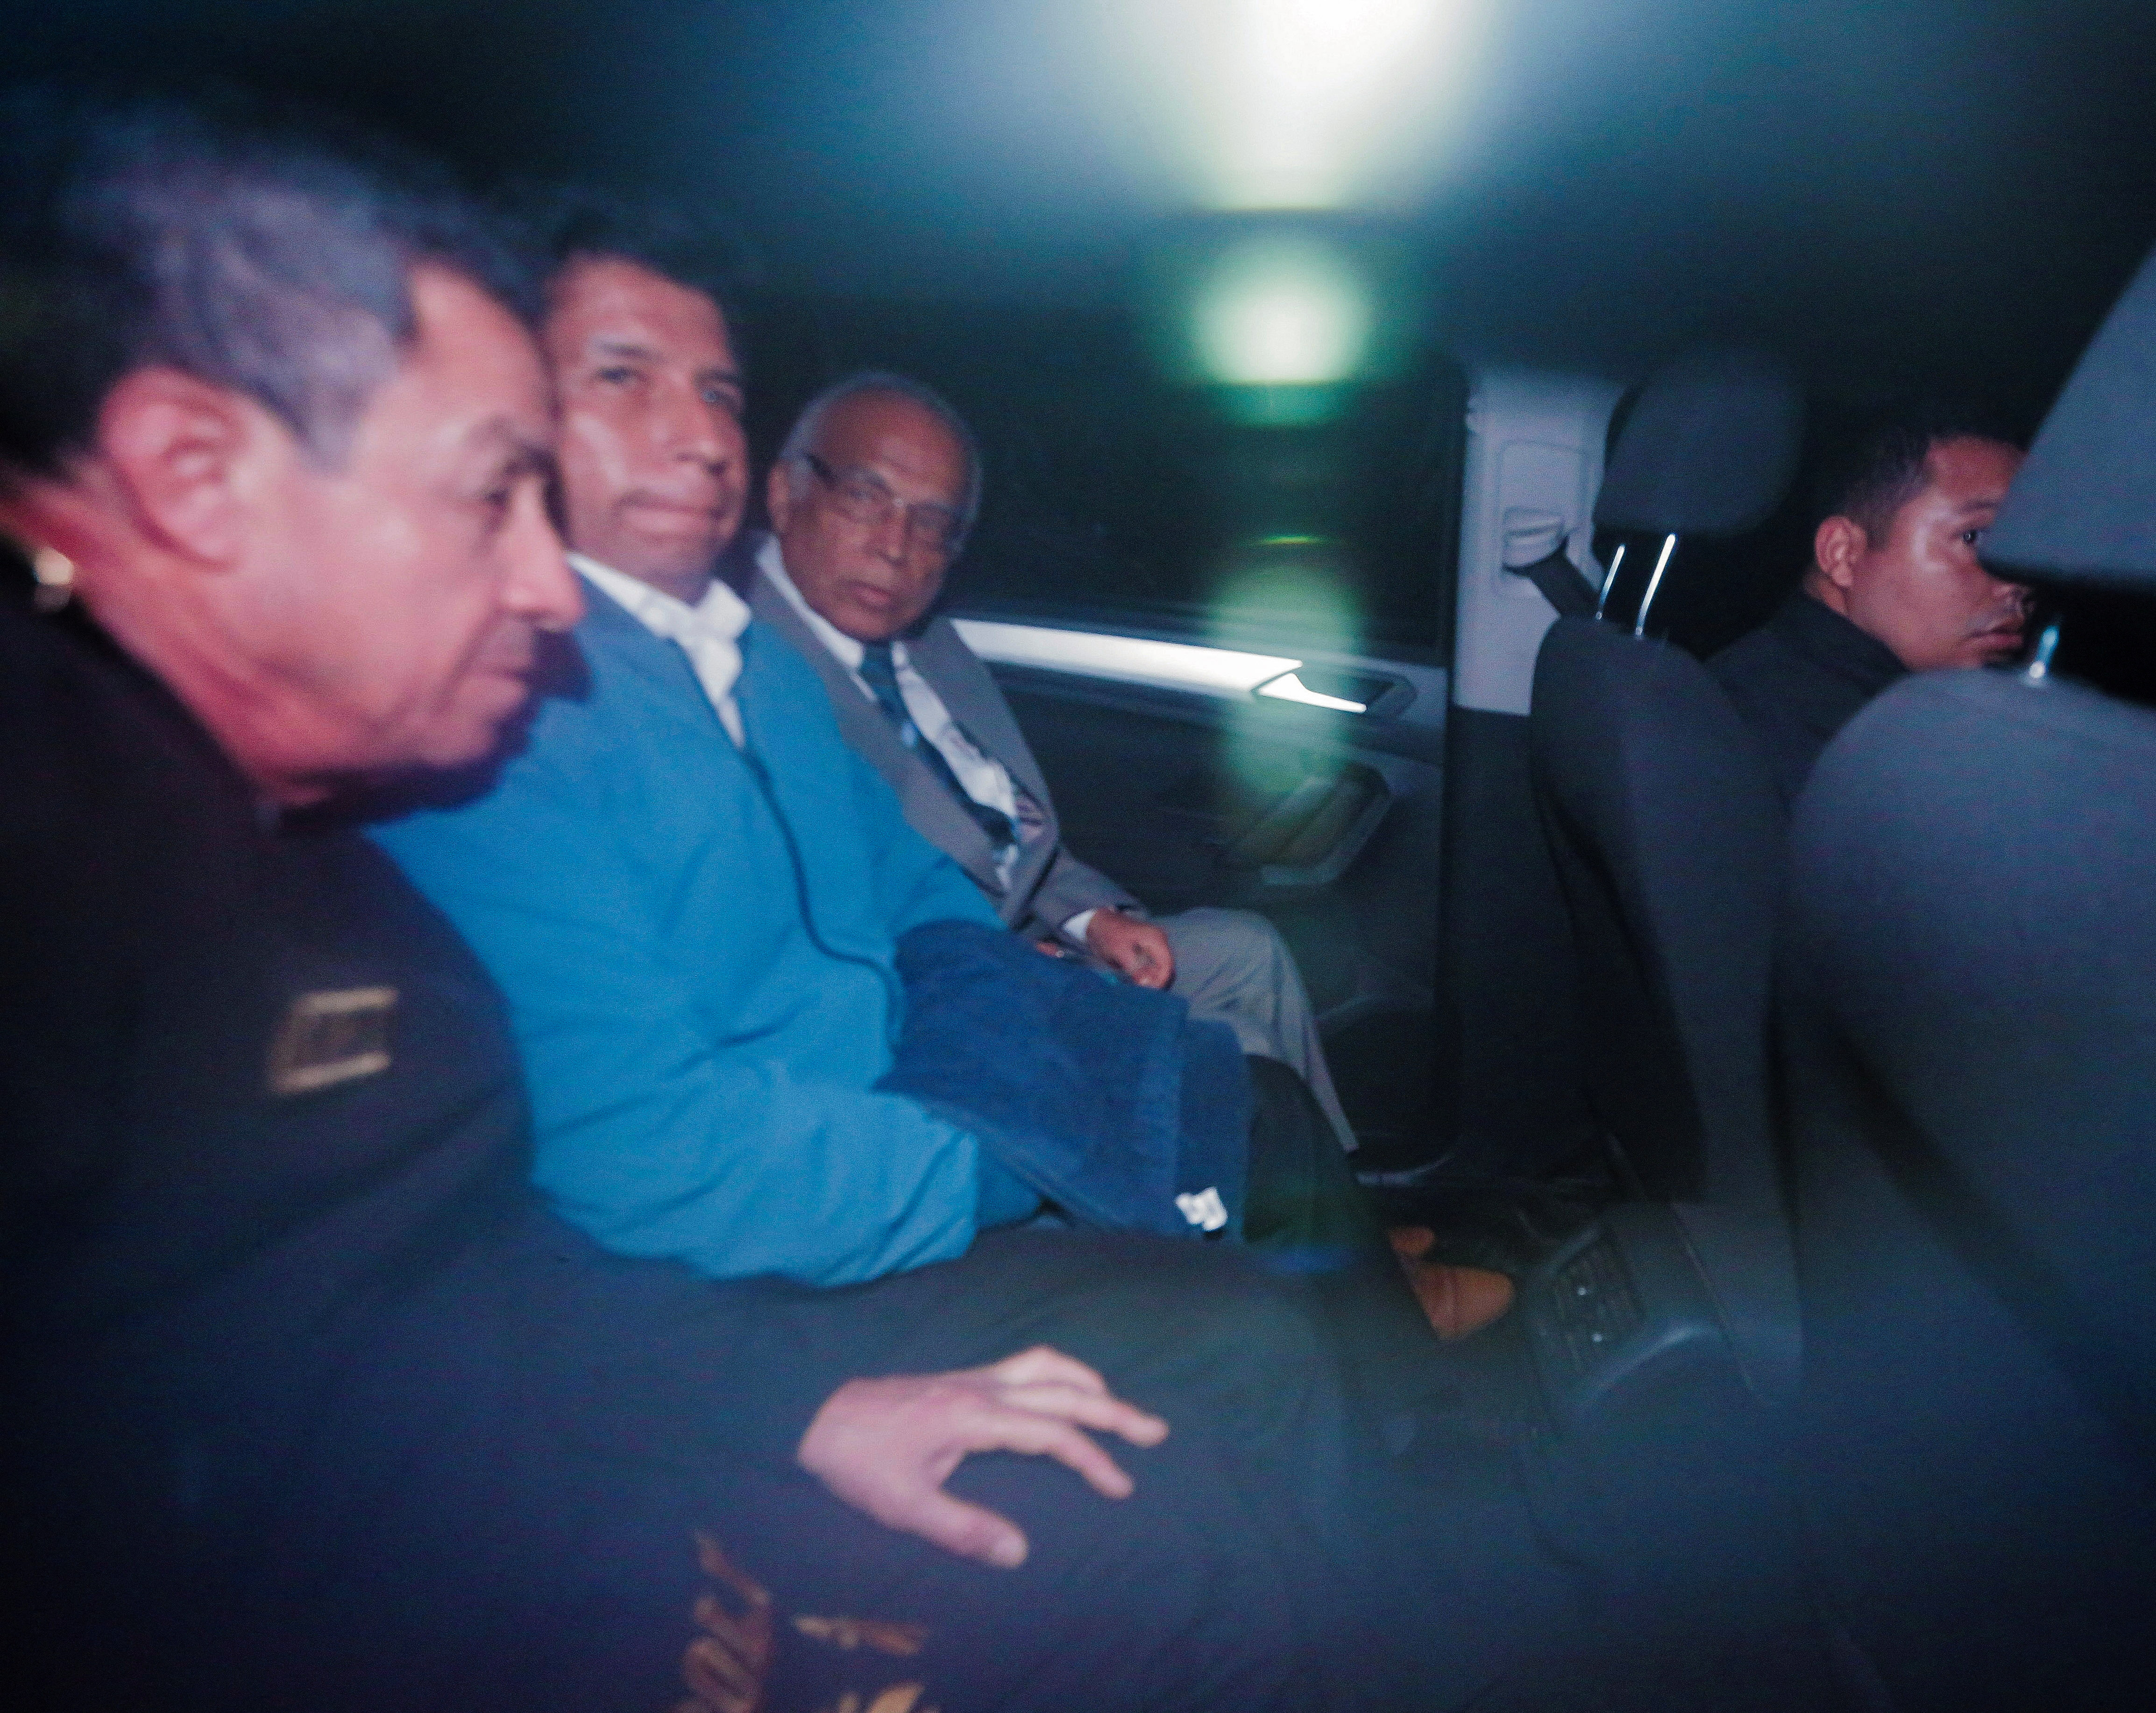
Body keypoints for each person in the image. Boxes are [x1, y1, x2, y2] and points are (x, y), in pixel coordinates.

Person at [0, 91, 1565, 1712]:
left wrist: (1040, 1027)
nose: (543, 594)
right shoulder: (126, 847)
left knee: (1232, 1195)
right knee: (1203, 1465)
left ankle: (1425, 1513)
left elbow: (880, 906)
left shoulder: (629, 699)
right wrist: (990, 1171)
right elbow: (583, 1192)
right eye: (501, 484)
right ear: (191, 476)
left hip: (710, 1305)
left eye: (715, 391)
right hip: (693, 1346)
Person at [367, 195, 1511, 1338]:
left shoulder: (750, 663)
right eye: (624, 378)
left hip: (932, 1058)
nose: (699, 434)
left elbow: (910, 880)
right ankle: (1343, 1308)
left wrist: (1042, 987)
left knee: (1235, 1067)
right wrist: (1012, 1143)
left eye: (718, 392)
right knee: (1230, 1236)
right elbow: (649, 1141)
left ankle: (1344, 1258)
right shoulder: (501, 715)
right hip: (863, 1160)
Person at [747, 373, 1361, 1159]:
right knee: (1236, 1048)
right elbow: (804, 929)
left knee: (1252, 947)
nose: (896, 546)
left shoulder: (922, 635)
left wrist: (1088, 918)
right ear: (786, 491)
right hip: (934, 997)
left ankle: (1346, 1201)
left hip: (1028, 940)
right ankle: (1299, 1258)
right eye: (867, 497)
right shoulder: (738, 666)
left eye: (933, 524)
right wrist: (996, 966)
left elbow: (1006, 826)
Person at [1709, 408, 2029, 803]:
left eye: (2027, 546)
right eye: (1975, 538)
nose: (2020, 583)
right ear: (1842, 554)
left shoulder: (1781, 690)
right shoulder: (1813, 751)